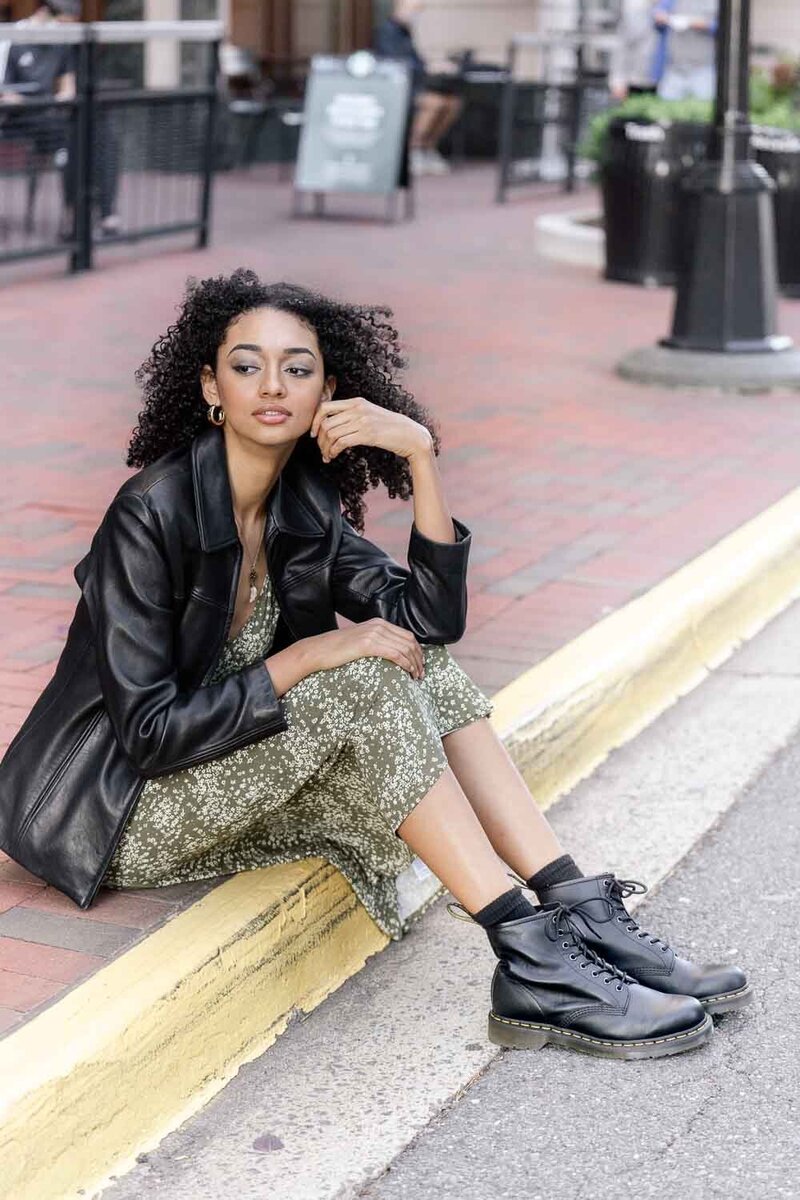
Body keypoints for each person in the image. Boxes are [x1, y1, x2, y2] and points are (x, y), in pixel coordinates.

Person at [0, 270, 751, 1060]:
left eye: (298, 368)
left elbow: (430, 622)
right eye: (246, 365)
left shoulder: (300, 503)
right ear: (210, 388)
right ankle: (532, 956)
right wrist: (309, 653)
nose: (272, 386)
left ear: (328, 390)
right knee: (360, 679)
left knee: (413, 660)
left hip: (217, 774)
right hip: (122, 810)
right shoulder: (150, 513)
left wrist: (420, 455)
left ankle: (571, 902)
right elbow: (151, 734)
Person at [0, 0, 121, 238]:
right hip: (16, 118)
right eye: (62, 24)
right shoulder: (14, 37)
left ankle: (102, 214)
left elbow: (68, 87)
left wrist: (64, 96)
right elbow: (6, 92)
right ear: (45, 13)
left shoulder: (61, 44)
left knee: (101, 132)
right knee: (74, 136)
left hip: (49, 116)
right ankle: (75, 219)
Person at [373, 0, 462, 176]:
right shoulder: (387, 32)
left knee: (452, 104)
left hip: (416, 86)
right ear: (400, 9)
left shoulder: (406, 32)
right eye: (414, 10)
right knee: (434, 103)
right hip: (398, 91)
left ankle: (428, 147)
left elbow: (416, 60)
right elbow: (397, 62)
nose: (416, 15)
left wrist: (434, 64)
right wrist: (427, 67)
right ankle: (414, 148)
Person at [652, 0, 718, 102]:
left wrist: (691, 22)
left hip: (703, 68)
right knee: (666, 111)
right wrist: (666, 18)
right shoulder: (671, 1)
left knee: (704, 109)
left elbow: (723, 26)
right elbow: (657, 16)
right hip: (675, 68)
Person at [609, 0, 659, 101]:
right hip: (638, 82)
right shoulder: (636, 13)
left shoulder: (677, 10)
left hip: (670, 83)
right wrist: (618, 81)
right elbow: (622, 48)